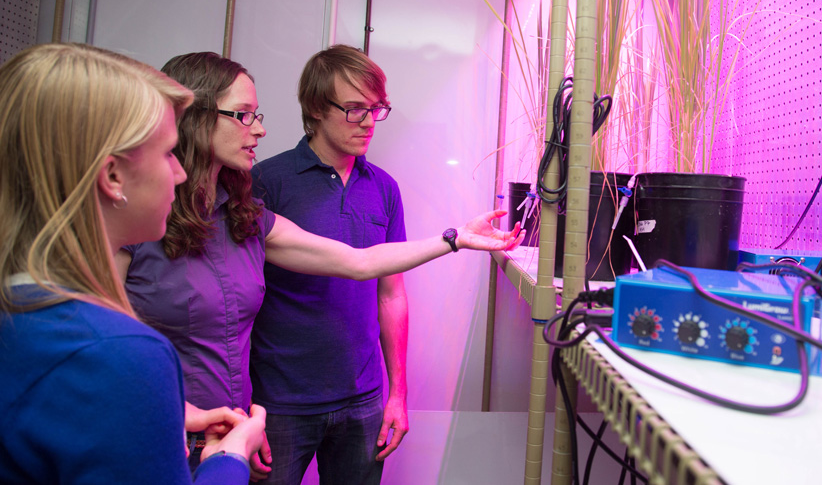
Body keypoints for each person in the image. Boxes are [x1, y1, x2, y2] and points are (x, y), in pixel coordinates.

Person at [117, 51, 522, 477]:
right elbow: (105, 341)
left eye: (374, 109)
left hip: (232, 424)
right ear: (194, 117)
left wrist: (454, 238)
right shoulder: (141, 219)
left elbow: (361, 263)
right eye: (244, 115)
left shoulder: (245, 216)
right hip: (181, 424)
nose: (260, 128)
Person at [0, 42, 266, 484]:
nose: (179, 173)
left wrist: (163, 409)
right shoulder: (122, 352)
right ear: (112, 177)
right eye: (167, 154)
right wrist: (230, 458)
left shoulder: (24, 314)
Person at [250, 45, 412, 484]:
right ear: (318, 108)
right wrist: (244, 406)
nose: (367, 123)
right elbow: (240, 298)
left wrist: (397, 393)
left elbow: (391, 293)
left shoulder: (384, 189)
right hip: (278, 401)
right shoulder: (265, 181)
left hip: (362, 401)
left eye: (377, 109)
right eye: (355, 109)